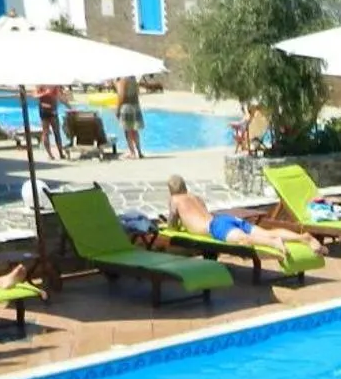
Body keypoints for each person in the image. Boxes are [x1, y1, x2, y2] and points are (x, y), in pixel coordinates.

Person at [162, 174, 308, 250]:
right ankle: (302, 238)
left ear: (170, 191)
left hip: (216, 227)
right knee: (266, 232)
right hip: (223, 219)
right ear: (185, 187)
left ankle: (274, 243)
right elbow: (201, 214)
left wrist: (172, 226)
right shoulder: (195, 197)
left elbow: (172, 225)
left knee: (243, 240)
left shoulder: (175, 200)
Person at [34, 84, 68, 161]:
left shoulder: (52, 85)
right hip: (47, 111)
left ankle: (59, 153)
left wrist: (68, 105)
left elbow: (59, 97)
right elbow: (35, 95)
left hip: (50, 111)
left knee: (55, 132)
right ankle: (51, 154)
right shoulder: (43, 85)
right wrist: (46, 93)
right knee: (47, 132)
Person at [115, 76, 144, 160]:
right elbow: (137, 92)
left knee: (127, 131)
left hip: (126, 106)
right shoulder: (133, 78)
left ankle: (132, 152)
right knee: (135, 130)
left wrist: (118, 109)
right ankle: (139, 151)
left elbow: (121, 95)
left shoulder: (122, 79)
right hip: (135, 105)